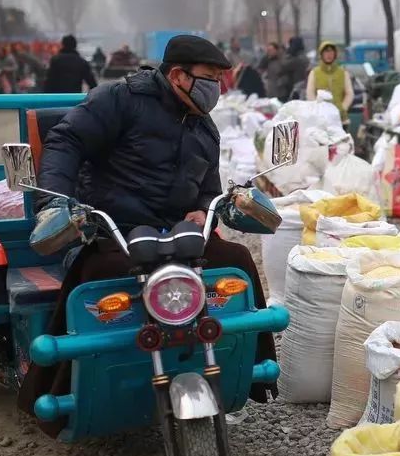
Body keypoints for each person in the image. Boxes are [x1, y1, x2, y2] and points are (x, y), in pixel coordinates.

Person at [18, 35, 275, 432]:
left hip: (175, 233)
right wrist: (55, 204)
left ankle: (253, 370)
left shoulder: (205, 129)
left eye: (221, 80)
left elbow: (209, 188)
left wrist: (205, 208)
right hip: (113, 229)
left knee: (237, 262)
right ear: (177, 75)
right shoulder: (119, 99)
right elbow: (66, 140)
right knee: (100, 276)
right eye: (210, 78)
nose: (218, 89)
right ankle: (59, 392)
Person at [306, 41, 354, 126]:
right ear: (321, 54)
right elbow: (310, 94)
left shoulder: (343, 73)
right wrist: (317, 110)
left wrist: (342, 108)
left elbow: (349, 93)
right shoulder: (314, 73)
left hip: (340, 119)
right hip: (320, 120)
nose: (329, 55)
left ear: (335, 54)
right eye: (326, 52)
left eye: (331, 52)